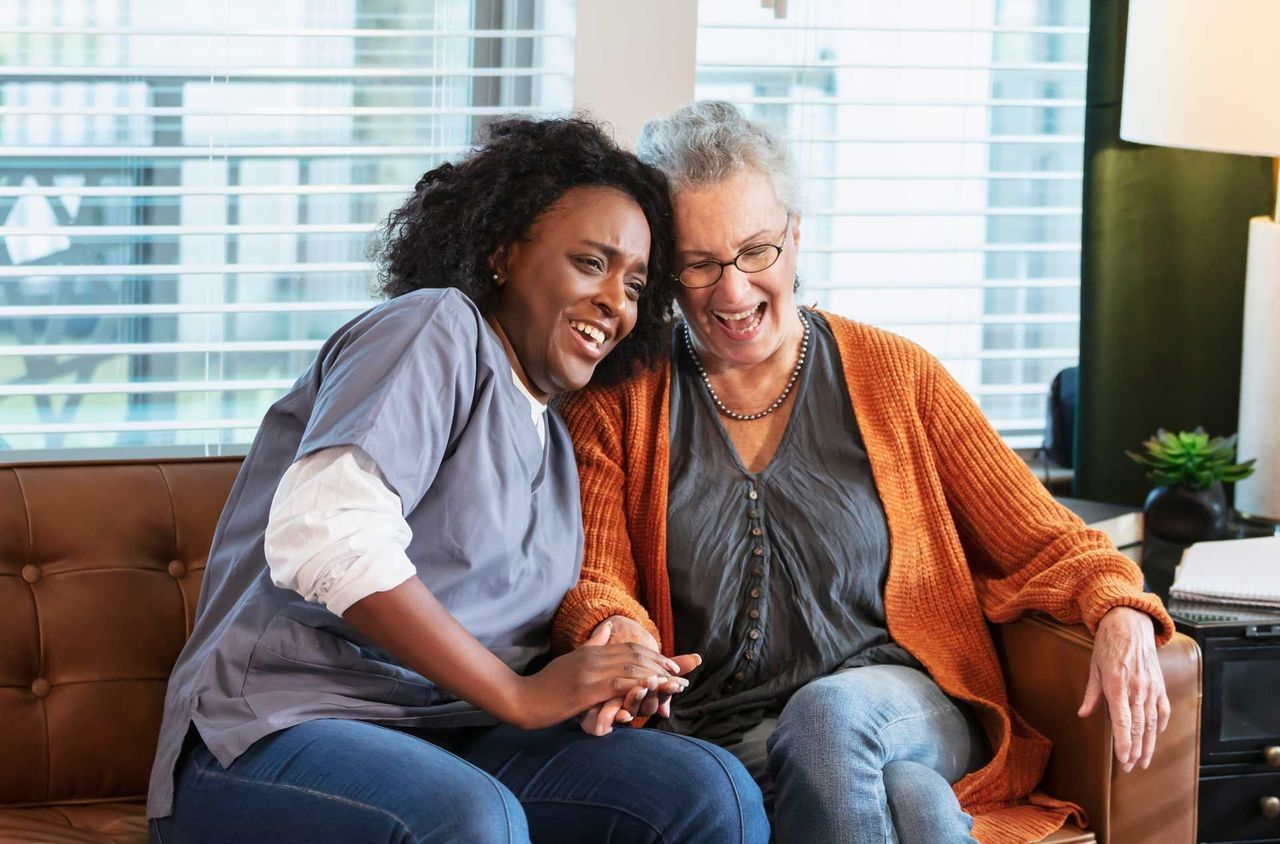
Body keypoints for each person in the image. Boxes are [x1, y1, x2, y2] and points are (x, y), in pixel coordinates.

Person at [552, 101, 1174, 844]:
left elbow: (1047, 541)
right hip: (719, 733)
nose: (734, 291)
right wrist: (612, 626)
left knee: (830, 719)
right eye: (699, 262)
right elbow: (596, 575)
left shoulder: (897, 377)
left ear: (795, 237)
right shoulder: (618, 401)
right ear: (663, 271)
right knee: (911, 802)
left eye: (757, 251)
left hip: (905, 704)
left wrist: (1119, 609)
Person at [146, 116, 769, 844]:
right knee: (472, 819)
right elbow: (323, 534)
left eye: (635, 283)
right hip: (271, 734)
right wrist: (520, 695)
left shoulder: (555, 436)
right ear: (504, 253)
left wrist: (610, 671)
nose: (616, 302)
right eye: (591, 263)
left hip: (452, 736)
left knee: (706, 791)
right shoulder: (434, 330)